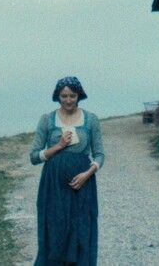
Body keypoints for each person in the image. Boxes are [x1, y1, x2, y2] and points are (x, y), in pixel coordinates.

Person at [29, 76, 105, 266]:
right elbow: (34, 156)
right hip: (53, 185)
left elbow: (99, 155)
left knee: (81, 228)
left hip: (82, 184)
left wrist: (88, 174)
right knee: (55, 228)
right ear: (57, 96)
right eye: (64, 96)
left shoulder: (91, 120)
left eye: (72, 96)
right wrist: (59, 146)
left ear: (79, 96)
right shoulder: (47, 120)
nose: (68, 100)